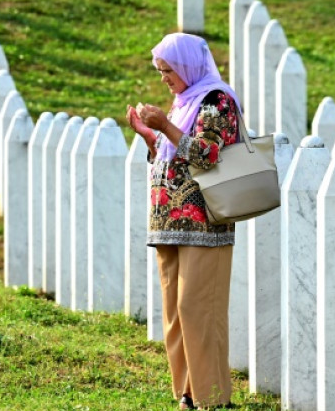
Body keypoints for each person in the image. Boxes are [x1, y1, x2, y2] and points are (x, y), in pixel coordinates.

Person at [126, 33, 242, 410]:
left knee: (199, 310)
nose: (164, 79)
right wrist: (150, 138)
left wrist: (163, 125)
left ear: (188, 65)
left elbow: (207, 154)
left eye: (168, 70)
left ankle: (214, 399)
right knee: (175, 315)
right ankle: (188, 396)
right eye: (160, 72)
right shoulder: (184, 104)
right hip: (168, 224)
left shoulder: (216, 100)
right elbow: (171, 157)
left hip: (204, 225)